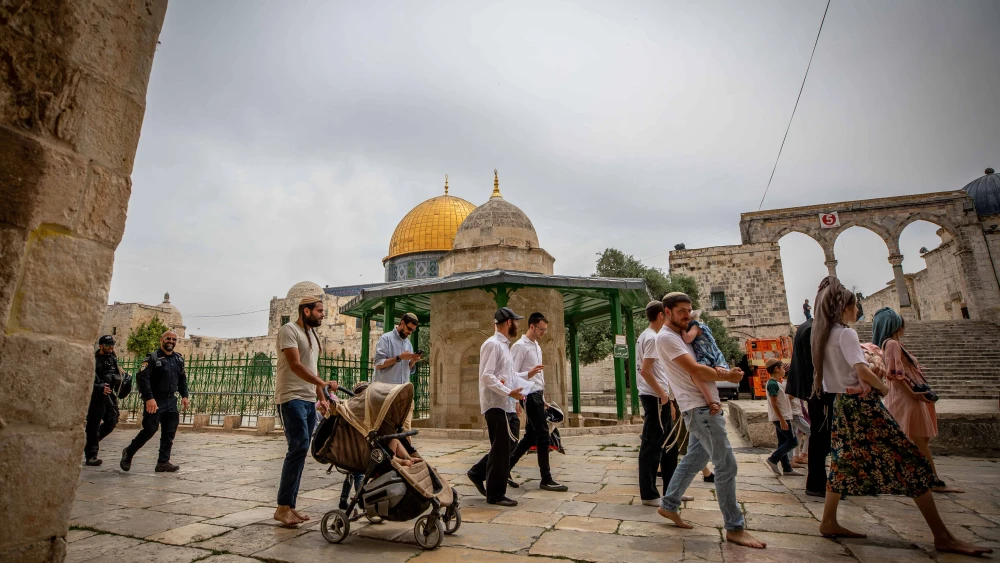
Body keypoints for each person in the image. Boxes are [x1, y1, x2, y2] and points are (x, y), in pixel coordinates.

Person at [812, 278, 990, 557]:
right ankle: (942, 536)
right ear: (844, 306)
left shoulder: (823, 334)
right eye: (856, 305)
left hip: (842, 406)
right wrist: (882, 386)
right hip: (862, 405)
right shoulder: (845, 333)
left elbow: (836, 376)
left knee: (843, 462)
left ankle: (828, 521)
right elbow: (861, 369)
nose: (858, 310)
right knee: (911, 461)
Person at [655, 292, 765, 549]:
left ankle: (669, 505)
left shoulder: (681, 336)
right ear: (667, 312)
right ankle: (734, 527)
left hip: (701, 408)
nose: (687, 315)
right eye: (681, 310)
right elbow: (695, 370)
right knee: (726, 465)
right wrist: (730, 376)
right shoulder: (667, 339)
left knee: (695, 459)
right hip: (701, 410)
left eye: (689, 310)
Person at [871, 307, 955, 493]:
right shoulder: (892, 343)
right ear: (895, 325)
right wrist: (913, 394)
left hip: (906, 395)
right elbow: (895, 375)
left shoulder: (890, 344)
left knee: (915, 438)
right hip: (906, 397)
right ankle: (931, 480)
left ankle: (917, 477)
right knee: (919, 439)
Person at [273, 296, 338, 527]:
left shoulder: (312, 335)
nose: (323, 314)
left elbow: (312, 367)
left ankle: (289, 506)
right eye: (319, 311)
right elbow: (296, 365)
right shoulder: (288, 330)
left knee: (301, 450)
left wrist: (321, 398)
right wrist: (321, 383)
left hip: (309, 399)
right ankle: (282, 506)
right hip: (291, 398)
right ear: (306, 311)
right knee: (298, 447)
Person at [467, 307, 538, 507]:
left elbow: (510, 376)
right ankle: (495, 494)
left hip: (505, 404)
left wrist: (526, 378)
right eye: (515, 321)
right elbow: (487, 376)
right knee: (501, 449)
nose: (517, 325)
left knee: (508, 445)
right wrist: (509, 393)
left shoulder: (505, 346)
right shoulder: (492, 345)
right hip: (495, 405)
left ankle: (477, 472)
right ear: (508, 322)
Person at [636, 301, 691, 506]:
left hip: (662, 398)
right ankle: (649, 494)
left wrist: (670, 399)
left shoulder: (649, 337)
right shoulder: (651, 338)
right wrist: (663, 395)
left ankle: (672, 490)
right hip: (655, 397)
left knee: (670, 446)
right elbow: (646, 371)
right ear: (661, 315)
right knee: (653, 445)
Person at [508, 312, 567, 492]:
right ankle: (546, 478)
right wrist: (516, 400)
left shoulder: (537, 346)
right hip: (528, 395)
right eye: (541, 329)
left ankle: (505, 468)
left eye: (545, 330)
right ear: (532, 326)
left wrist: (543, 399)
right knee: (542, 434)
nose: (543, 332)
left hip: (537, 395)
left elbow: (538, 376)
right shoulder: (520, 346)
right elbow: (511, 374)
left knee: (531, 436)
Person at [120, 330, 189, 473]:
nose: (171, 341)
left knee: (169, 432)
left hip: (171, 400)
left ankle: (163, 462)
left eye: (173, 339)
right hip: (155, 400)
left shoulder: (178, 359)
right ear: (161, 340)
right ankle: (129, 452)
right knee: (150, 429)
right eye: (168, 339)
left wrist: (184, 395)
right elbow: (142, 379)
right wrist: (149, 398)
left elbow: (182, 378)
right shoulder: (152, 358)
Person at [84, 335, 123, 466]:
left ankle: (89, 443)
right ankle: (91, 455)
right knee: (93, 425)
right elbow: (86, 380)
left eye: (112, 345)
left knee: (112, 420)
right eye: (108, 345)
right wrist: (100, 387)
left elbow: (116, 372)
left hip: (110, 395)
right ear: (101, 346)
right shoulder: (93, 360)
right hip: (96, 396)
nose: (111, 347)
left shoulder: (112, 358)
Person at [763, 359, 803, 477]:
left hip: (782, 417)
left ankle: (787, 468)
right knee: (792, 441)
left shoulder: (777, 384)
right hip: (781, 418)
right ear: (776, 369)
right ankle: (773, 459)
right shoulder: (772, 384)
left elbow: (783, 399)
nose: (783, 370)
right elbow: (774, 403)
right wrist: (781, 419)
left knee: (783, 442)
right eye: (781, 368)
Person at [373, 312, 423, 386]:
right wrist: (399, 357)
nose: (410, 332)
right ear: (402, 323)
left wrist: (413, 361)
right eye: (409, 329)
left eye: (413, 330)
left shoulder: (408, 343)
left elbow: (406, 369)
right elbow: (378, 364)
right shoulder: (385, 339)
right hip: (385, 390)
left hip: (402, 390)